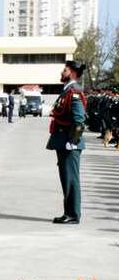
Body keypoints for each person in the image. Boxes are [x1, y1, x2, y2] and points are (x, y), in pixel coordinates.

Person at [47, 60, 87, 225]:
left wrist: (73, 140)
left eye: (64, 70)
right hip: (63, 140)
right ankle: (68, 212)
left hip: (69, 142)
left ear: (71, 73)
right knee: (66, 177)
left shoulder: (74, 92)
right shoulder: (67, 91)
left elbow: (79, 120)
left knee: (71, 178)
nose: (61, 73)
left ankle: (73, 214)